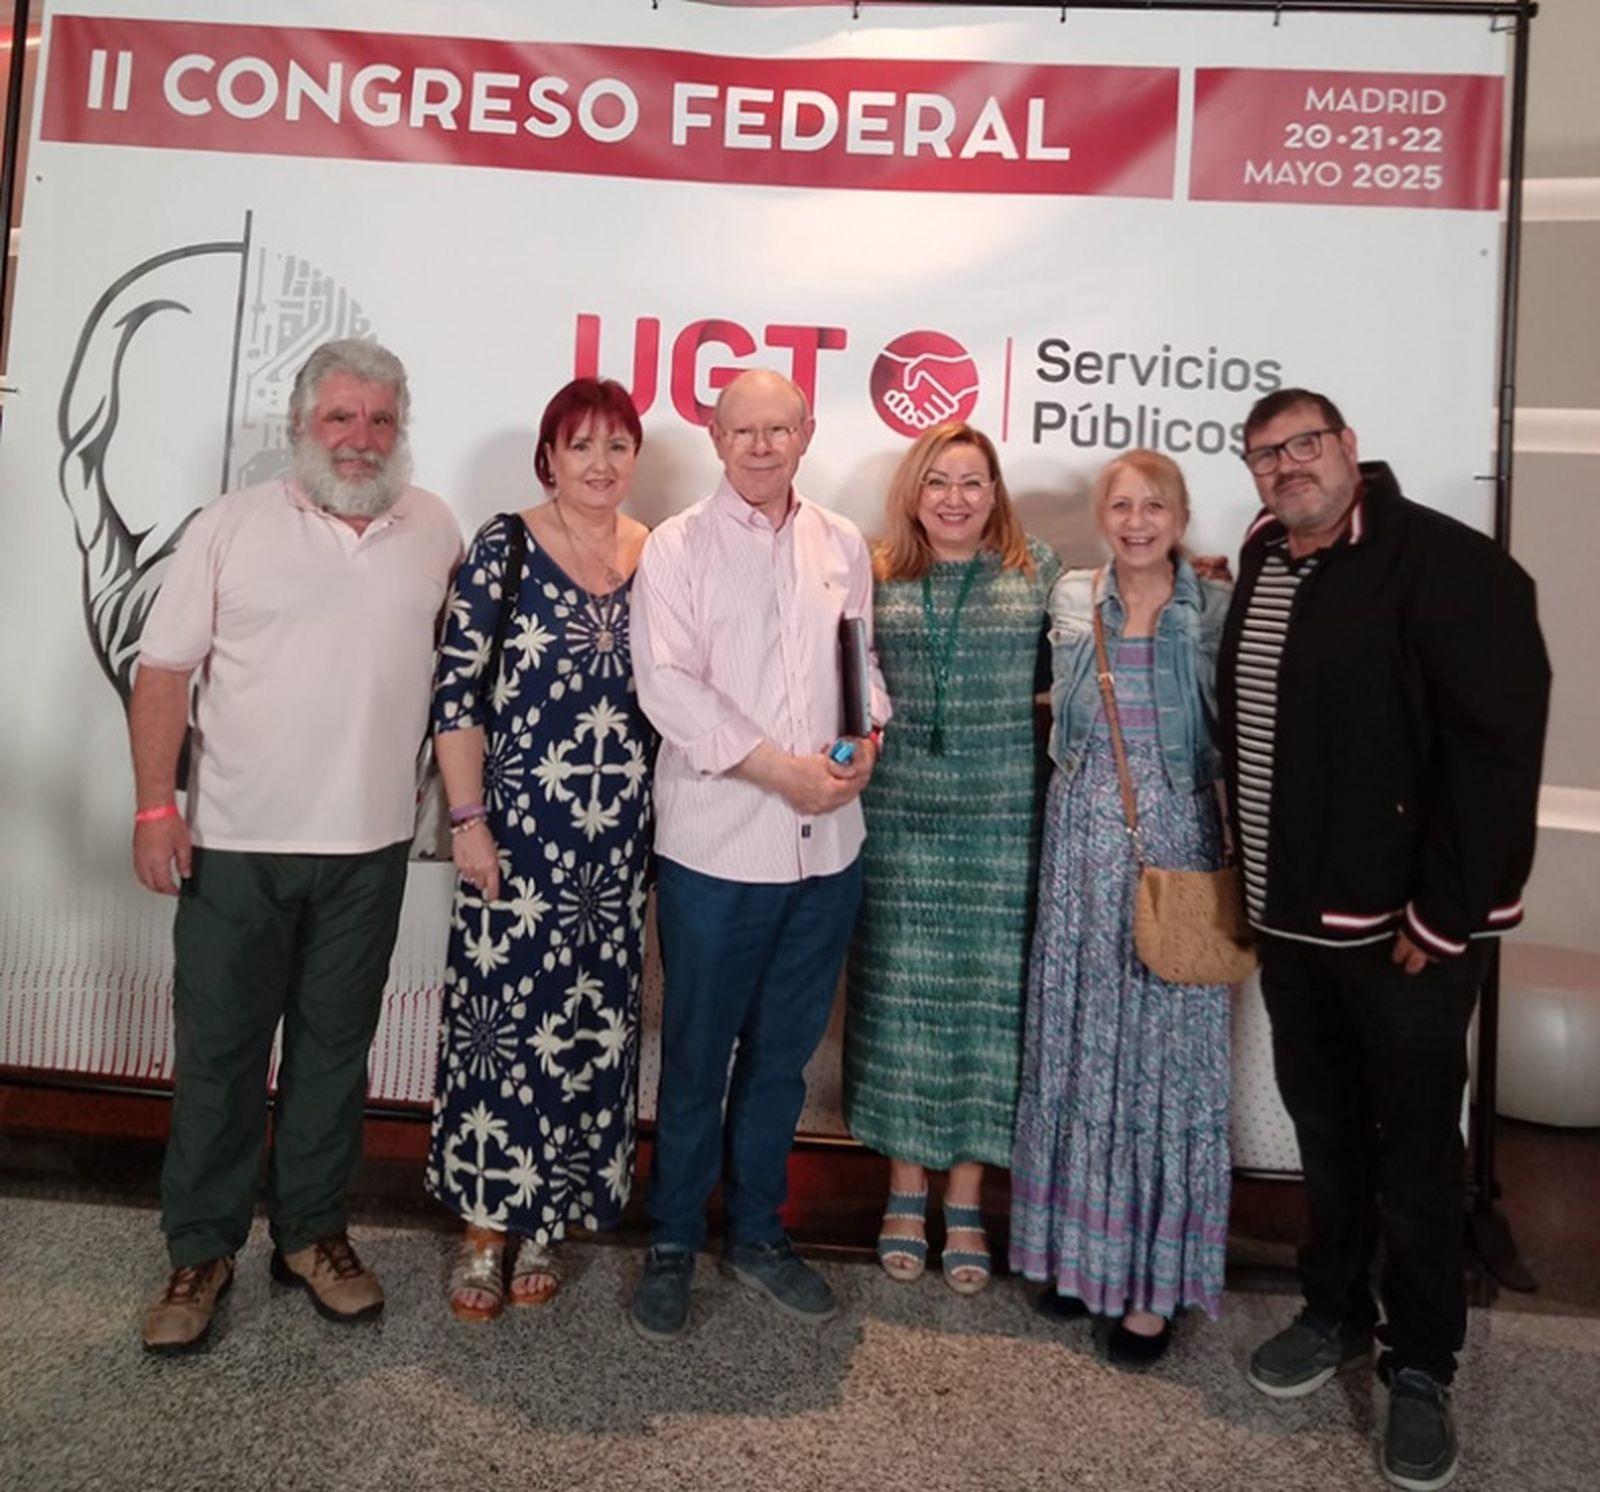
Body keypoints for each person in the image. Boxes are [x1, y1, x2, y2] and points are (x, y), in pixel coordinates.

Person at [1219, 389, 1549, 1490]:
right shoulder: (1266, 554)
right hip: (1293, 917)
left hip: (1406, 932)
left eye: (1303, 445)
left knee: (1414, 1151)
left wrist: (1446, 912)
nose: (1286, 468)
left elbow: (1495, 755)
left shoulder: (1450, 565)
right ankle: (1332, 1312)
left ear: (1349, 447)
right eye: (1264, 455)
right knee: (1325, 1133)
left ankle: (1421, 1363)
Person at [129, 338, 463, 1353]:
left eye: (381, 420)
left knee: (334, 1054)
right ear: (300, 425)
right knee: (221, 1054)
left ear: (401, 428)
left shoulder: (434, 527)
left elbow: (456, 681)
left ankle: (313, 1234)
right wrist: (153, 807)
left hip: (370, 848)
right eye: (340, 417)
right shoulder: (230, 526)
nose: (362, 439)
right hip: (236, 845)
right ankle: (201, 1247)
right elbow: (162, 672)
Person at [627, 367, 888, 1340]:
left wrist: (866, 737)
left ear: (806, 434)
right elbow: (667, 685)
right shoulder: (675, 547)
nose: (764, 446)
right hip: (717, 853)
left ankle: (757, 1234)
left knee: (782, 1063)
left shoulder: (841, 542)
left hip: (827, 856)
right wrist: (783, 773)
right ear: (715, 436)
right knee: (697, 1059)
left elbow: (859, 663)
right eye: (745, 430)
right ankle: (671, 1242)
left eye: (781, 429)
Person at [424, 378, 653, 1320]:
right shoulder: (505, 546)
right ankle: (486, 1227)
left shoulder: (657, 553)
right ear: (549, 457)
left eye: (616, 445)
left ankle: (550, 1217)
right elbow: (456, 696)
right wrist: (467, 820)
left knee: (588, 1030)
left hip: (619, 848)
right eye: (580, 445)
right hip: (516, 837)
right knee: (503, 1028)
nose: (599, 463)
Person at [1009, 448, 1233, 1369]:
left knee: (1161, 1065)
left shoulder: (1213, 607)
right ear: (1102, 517)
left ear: (1179, 517)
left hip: (1173, 842)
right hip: (1078, 846)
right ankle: (1077, 1257)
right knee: (1077, 1051)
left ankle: (1150, 1287)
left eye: (1154, 506)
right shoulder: (1072, 596)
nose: (1137, 522)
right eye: (1122, 506)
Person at [843, 421, 1060, 1294]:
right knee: (896, 1003)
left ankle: (965, 1196)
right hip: (896, 825)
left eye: (972, 482)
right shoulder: (874, 570)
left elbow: (1115, 619)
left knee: (988, 1012)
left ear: (995, 492)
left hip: (1003, 827)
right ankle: (904, 1188)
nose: (955, 498)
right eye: (938, 481)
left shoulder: (1038, 572)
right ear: (913, 492)